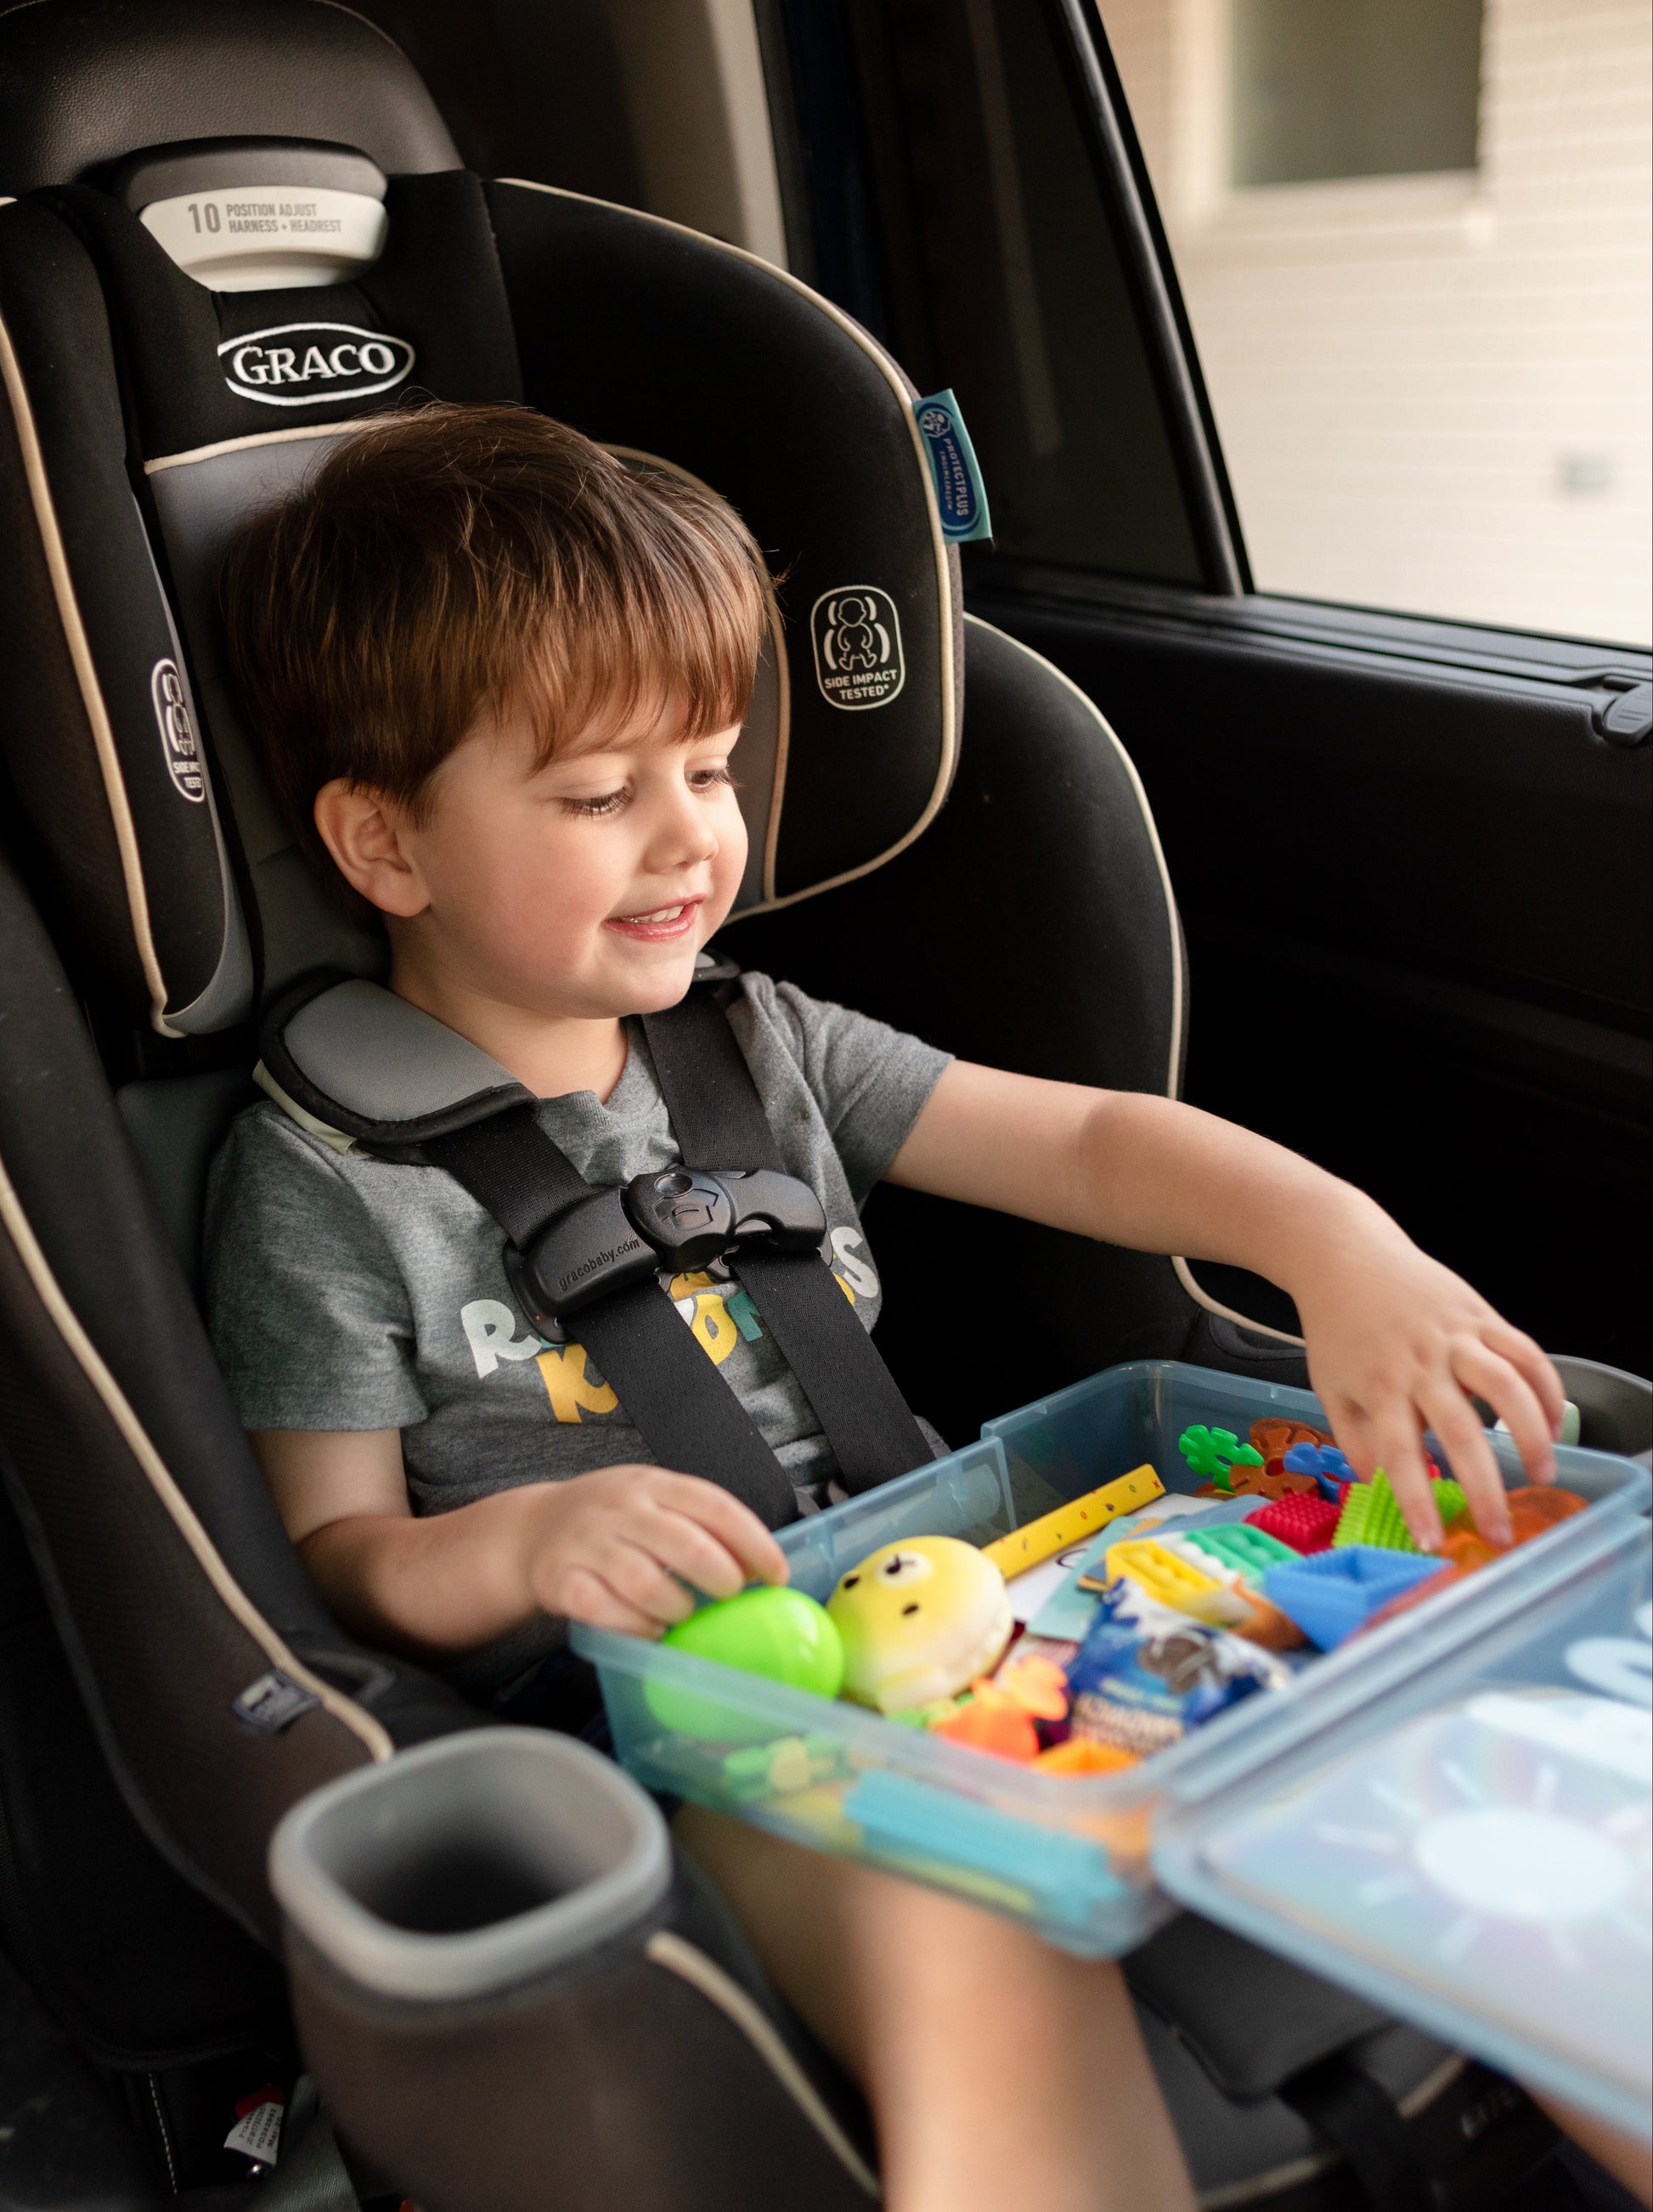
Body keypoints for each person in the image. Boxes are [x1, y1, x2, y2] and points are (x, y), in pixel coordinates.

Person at [206, 400, 1573, 2212]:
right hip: (690, 1734)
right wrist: (533, 1542)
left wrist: (1342, 1250)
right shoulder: (323, 1180)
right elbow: (336, 1559)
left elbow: (1089, 1143)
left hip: (995, 1627)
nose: (690, 834)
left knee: (1504, 1751)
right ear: (386, 850)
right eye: (599, 795)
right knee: (960, 1931)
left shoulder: (765, 1047)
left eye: (704, 765)